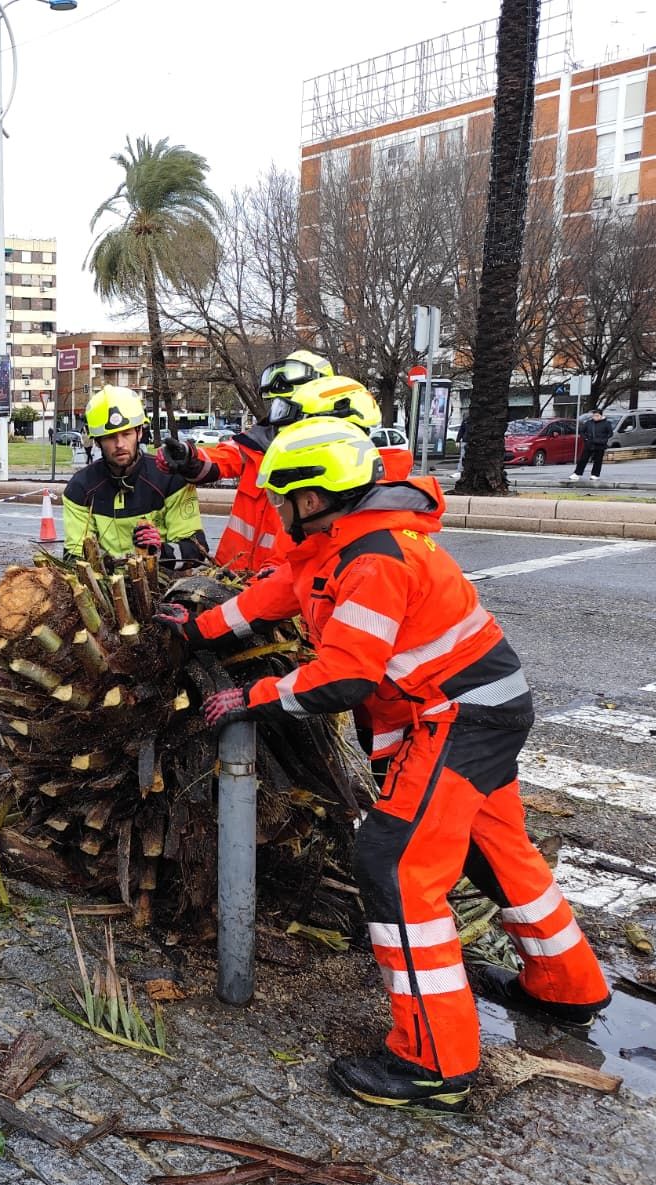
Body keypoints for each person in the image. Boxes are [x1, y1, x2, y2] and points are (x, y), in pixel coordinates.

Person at [156, 418, 610, 1111]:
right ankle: (566, 988)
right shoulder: (338, 545)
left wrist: (251, 698)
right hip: (474, 710)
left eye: (280, 497)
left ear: (312, 499)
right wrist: (198, 628)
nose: (272, 508)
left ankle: (434, 1063)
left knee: (395, 865)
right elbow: (273, 595)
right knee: (497, 852)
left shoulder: (375, 559)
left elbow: (345, 677)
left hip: (458, 718)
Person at [157, 358, 409, 571]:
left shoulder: (352, 479)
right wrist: (188, 457)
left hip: (279, 584)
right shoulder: (260, 441)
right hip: (236, 570)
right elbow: (223, 458)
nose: (283, 420)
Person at [61, 385, 208, 567]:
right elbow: (74, 556)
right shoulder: (80, 487)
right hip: (105, 582)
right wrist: (106, 565)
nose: (120, 444)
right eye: (110, 437)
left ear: (139, 433)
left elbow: (197, 550)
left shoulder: (170, 478)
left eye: (126, 434)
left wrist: (160, 552)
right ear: (97, 441)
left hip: (165, 580)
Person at [569, 406, 613, 484]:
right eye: (594, 415)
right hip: (589, 444)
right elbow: (582, 431)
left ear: (601, 416)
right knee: (583, 459)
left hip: (600, 445)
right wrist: (586, 438)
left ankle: (595, 474)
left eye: (597, 416)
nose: (595, 417)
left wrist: (603, 439)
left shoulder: (606, 423)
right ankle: (577, 473)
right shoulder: (589, 423)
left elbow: (610, 433)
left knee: (598, 460)